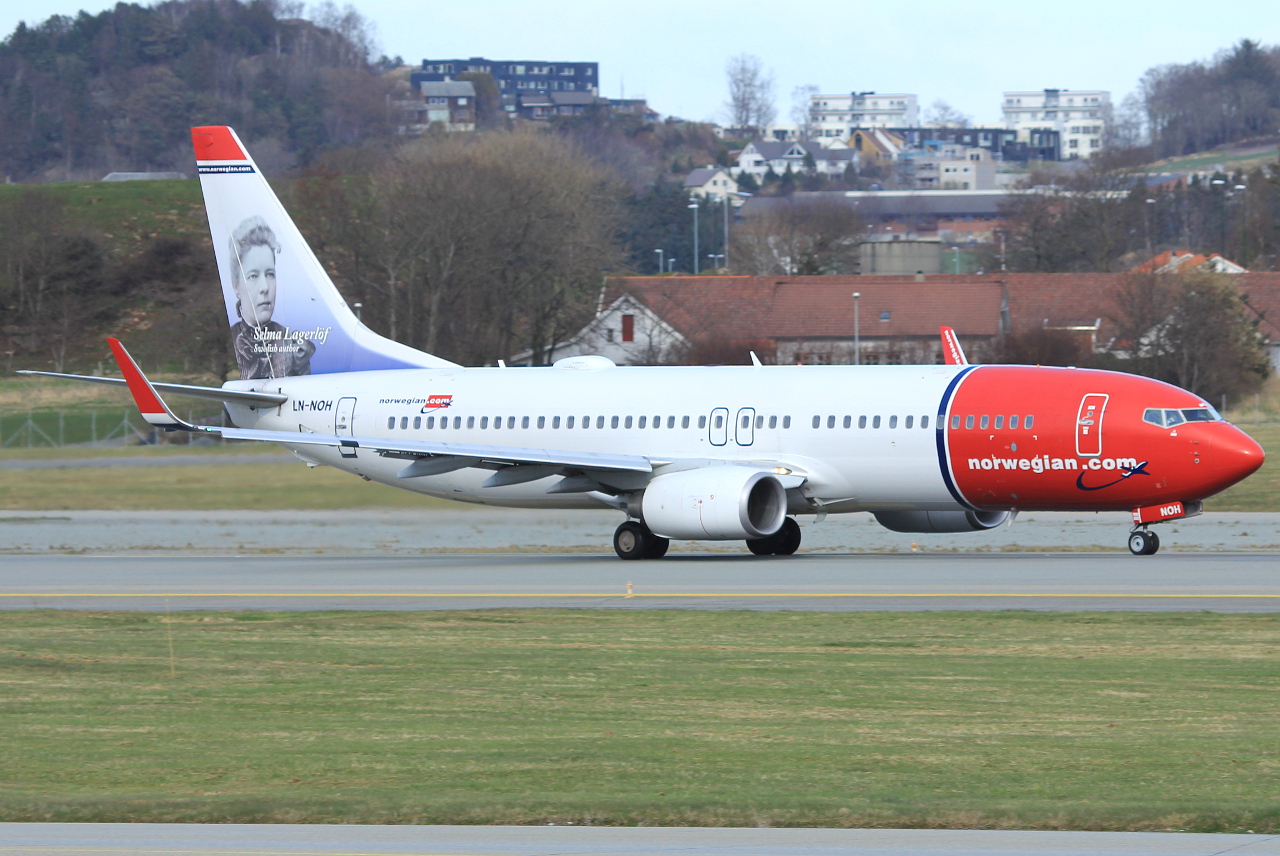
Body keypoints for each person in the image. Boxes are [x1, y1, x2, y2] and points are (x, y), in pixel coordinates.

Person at [228, 216, 314, 379]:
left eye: (270, 274)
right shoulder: (228, 342)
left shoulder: (293, 346)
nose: (265, 287)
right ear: (236, 286)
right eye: (253, 276)